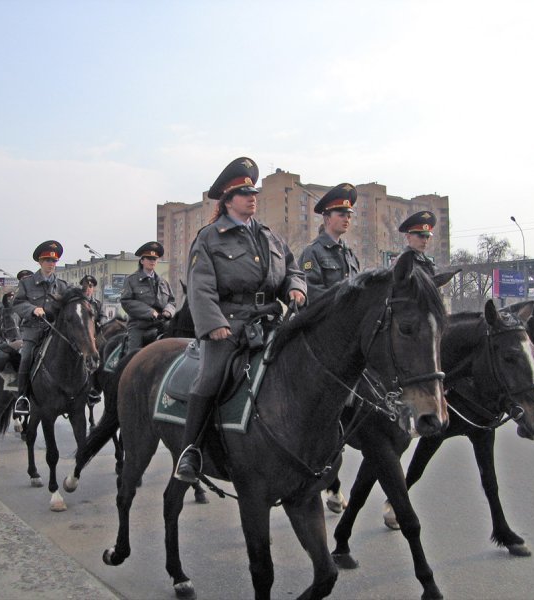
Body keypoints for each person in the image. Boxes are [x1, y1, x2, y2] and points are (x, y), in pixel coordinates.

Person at [174, 156, 307, 483]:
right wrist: (213, 323)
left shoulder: (269, 237)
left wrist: (296, 288)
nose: (253, 198)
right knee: (210, 377)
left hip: (271, 321)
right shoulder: (209, 237)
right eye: (245, 193)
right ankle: (190, 451)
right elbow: (199, 285)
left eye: (254, 193)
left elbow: (293, 269)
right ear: (228, 200)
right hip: (228, 324)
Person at [12, 240, 71, 415]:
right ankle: (22, 397)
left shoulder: (62, 285)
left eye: (53, 261)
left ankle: (80, 393)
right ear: (40, 262)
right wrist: (32, 309)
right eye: (47, 260)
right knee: (26, 357)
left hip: (54, 331)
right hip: (33, 329)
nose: (51, 264)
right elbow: (18, 303)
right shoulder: (27, 283)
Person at [299, 183, 360, 304]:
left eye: (348, 216)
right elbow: (312, 292)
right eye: (341, 215)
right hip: (323, 319)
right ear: (327, 218)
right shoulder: (313, 252)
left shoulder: (350, 255)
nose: (346, 219)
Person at [120, 241, 176, 354]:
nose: (152, 261)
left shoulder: (163, 282)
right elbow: (126, 301)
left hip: (162, 324)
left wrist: (168, 312)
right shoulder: (131, 280)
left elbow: (172, 301)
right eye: (149, 258)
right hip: (139, 326)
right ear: (142, 261)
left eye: (154, 259)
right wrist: (150, 312)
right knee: (133, 356)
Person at [80, 274, 105, 406]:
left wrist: (101, 322)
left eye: (90, 287)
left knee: (103, 354)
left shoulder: (97, 304)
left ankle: (96, 387)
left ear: (93, 288)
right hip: (81, 337)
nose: (88, 289)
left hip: (95, 337)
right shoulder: (78, 303)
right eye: (85, 286)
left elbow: (103, 316)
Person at [398, 210, 437, 277]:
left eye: (427, 237)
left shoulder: (428, 263)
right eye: (421, 236)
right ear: (408, 237)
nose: (425, 241)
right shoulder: (401, 263)